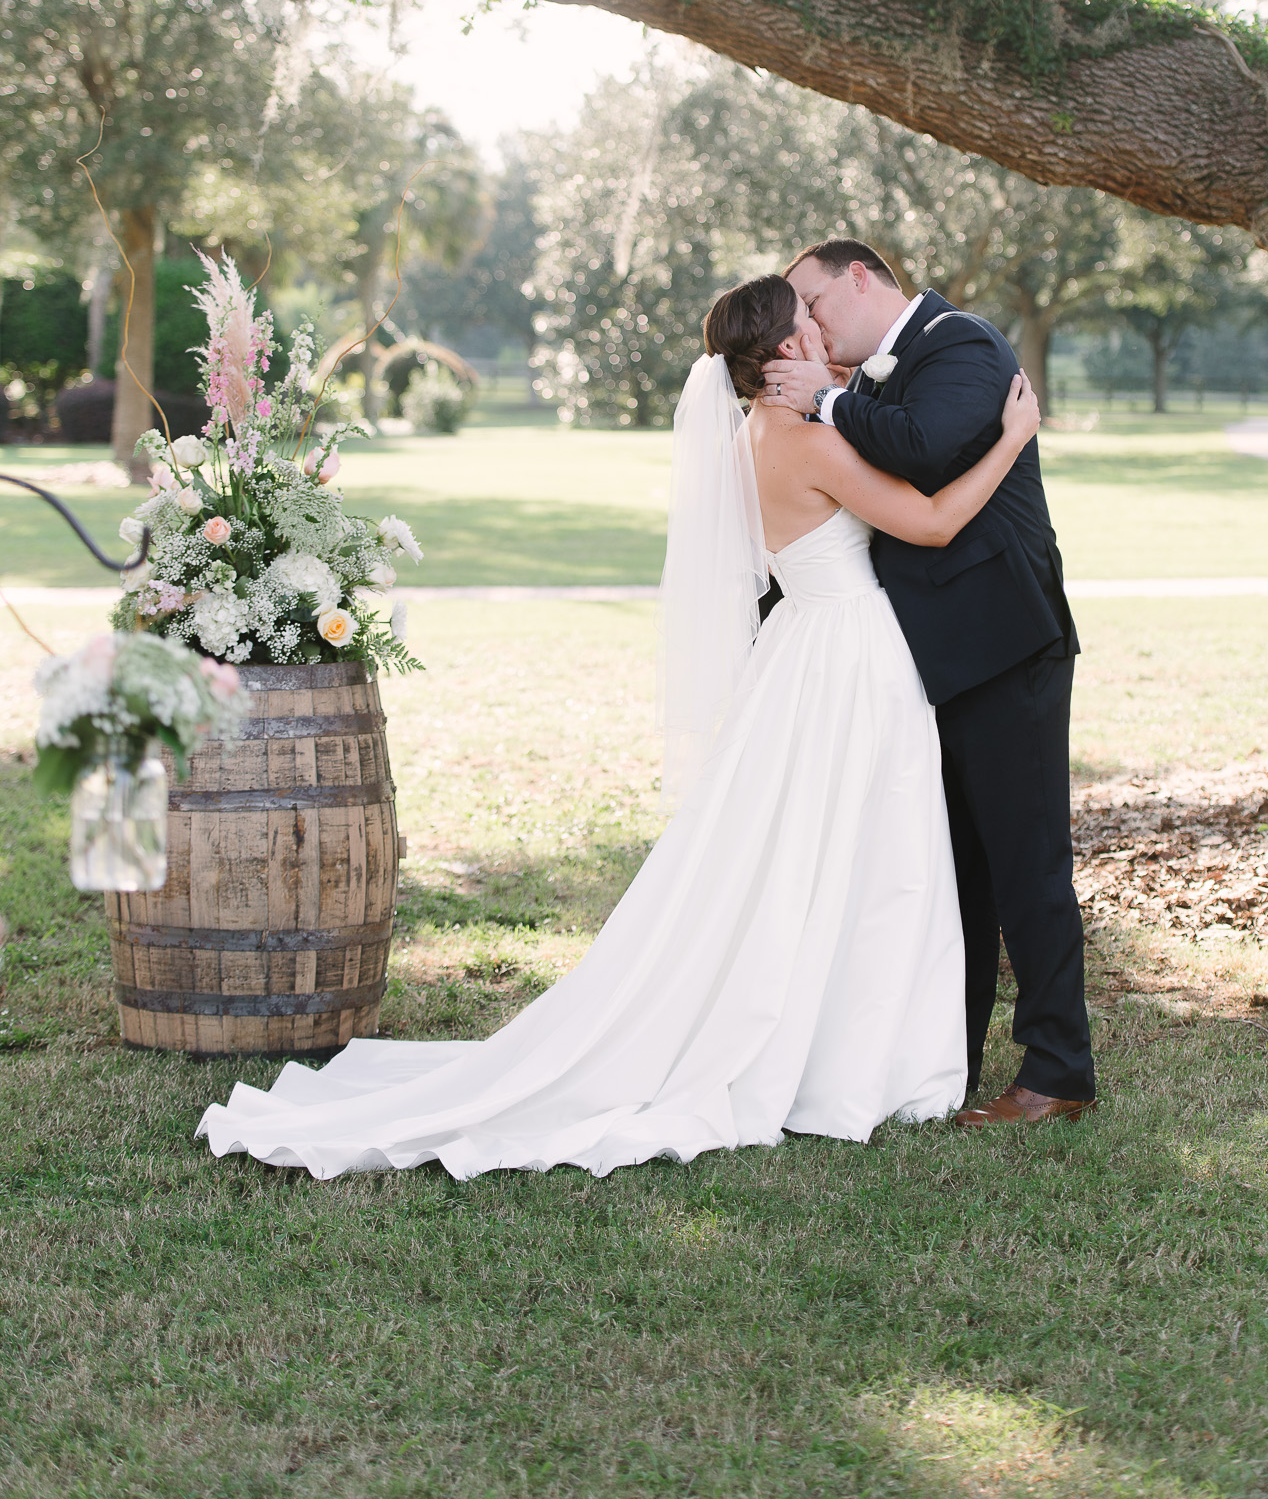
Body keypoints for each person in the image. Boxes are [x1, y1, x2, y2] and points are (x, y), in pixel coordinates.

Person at [197, 274, 1039, 1183]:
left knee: (824, 855)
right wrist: (1011, 437)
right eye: (809, 322)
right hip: (846, 659)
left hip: (810, 650)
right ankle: (853, 1058)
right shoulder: (803, 440)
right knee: (861, 854)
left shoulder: (756, 434)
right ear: (785, 352)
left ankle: (851, 1044)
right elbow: (930, 520)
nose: (824, 330)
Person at [761, 240, 1094, 1127]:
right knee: (957, 871)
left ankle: (1058, 1072)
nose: (811, 326)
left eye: (814, 303)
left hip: (1004, 645)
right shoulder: (868, 378)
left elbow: (926, 445)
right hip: (926, 659)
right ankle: (947, 1059)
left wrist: (825, 399)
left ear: (860, 279)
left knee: (1026, 864)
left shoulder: (962, 343)